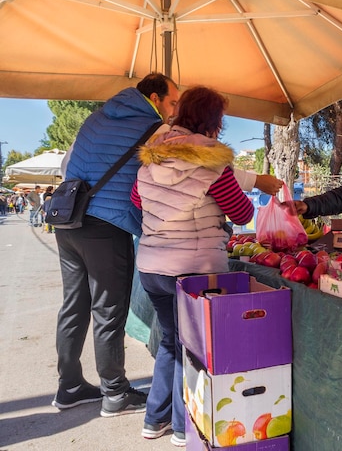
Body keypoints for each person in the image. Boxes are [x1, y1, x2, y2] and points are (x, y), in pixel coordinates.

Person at [52, 72, 281, 418]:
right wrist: (253, 182)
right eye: (171, 102)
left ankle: (71, 387)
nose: (171, 113)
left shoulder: (102, 120)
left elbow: (73, 167)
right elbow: (228, 191)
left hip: (71, 220)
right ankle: (123, 397)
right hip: (117, 231)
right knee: (113, 313)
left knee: (76, 306)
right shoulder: (156, 132)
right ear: (155, 99)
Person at [131, 86, 254, 446]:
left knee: (170, 341)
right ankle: (185, 427)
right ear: (213, 121)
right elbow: (243, 212)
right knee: (193, 347)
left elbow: (137, 199)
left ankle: (155, 421)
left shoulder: (151, 157)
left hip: (152, 266)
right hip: (194, 267)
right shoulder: (212, 161)